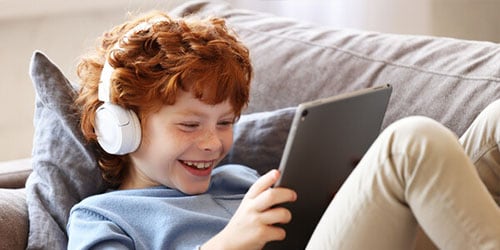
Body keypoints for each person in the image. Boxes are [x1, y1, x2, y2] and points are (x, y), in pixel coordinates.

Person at [67, 10, 500, 249]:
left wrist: (350, 199)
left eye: (225, 123)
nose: (212, 142)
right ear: (119, 126)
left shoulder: (240, 181)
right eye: (189, 124)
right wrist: (229, 245)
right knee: (409, 144)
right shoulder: (103, 218)